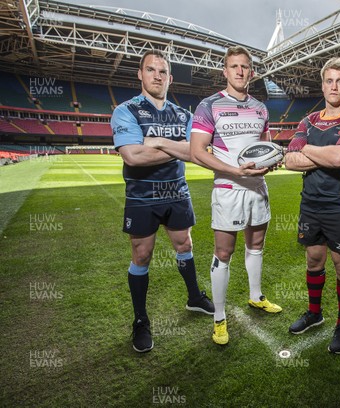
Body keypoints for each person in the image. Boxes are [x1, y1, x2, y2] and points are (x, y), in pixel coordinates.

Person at [111, 49, 215, 353]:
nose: (157, 76)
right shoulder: (126, 110)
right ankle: (141, 321)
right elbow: (132, 155)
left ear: (170, 77)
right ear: (140, 74)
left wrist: (155, 142)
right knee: (141, 255)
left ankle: (194, 297)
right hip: (142, 195)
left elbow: (195, 154)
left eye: (162, 71)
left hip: (177, 192)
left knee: (185, 245)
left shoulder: (184, 115)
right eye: (151, 70)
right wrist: (177, 148)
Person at [189, 46, 282, 346]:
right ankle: (219, 317)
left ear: (252, 72)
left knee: (256, 246)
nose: (240, 71)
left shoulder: (261, 108)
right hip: (229, 190)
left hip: (257, 189)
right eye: (234, 66)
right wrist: (235, 171)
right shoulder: (209, 105)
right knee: (224, 253)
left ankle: (256, 297)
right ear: (225, 71)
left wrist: (269, 165)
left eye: (245, 66)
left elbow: (266, 149)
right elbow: (196, 151)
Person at [285, 57, 340, 354]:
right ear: (322, 85)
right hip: (310, 205)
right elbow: (289, 160)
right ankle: (315, 313)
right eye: (329, 80)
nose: (334, 86)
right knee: (314, 261)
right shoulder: (308, 120)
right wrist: (321, 152)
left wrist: (304, 147)